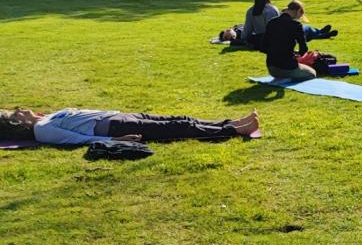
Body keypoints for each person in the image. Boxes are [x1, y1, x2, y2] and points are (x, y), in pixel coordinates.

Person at [0, 108, 260, 146]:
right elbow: (75, 139)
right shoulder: (42, 130)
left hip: (117, 115)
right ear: (18, 122)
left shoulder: (46, 118)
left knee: (176, 119)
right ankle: (234, 130)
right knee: (177, 127)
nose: (24, 110)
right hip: (112, 127)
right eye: (19, 113)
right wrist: (116, 141)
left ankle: (231, 124)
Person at [263, 0, 316, 81]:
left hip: (271, 67)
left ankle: (283, 77)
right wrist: (297, 54)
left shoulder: (271, 22)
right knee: (312, 73)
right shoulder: (296, 25)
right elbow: (303, 49)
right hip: (287, 67)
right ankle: (288, 79)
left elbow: (264, 44)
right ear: (298, 11)